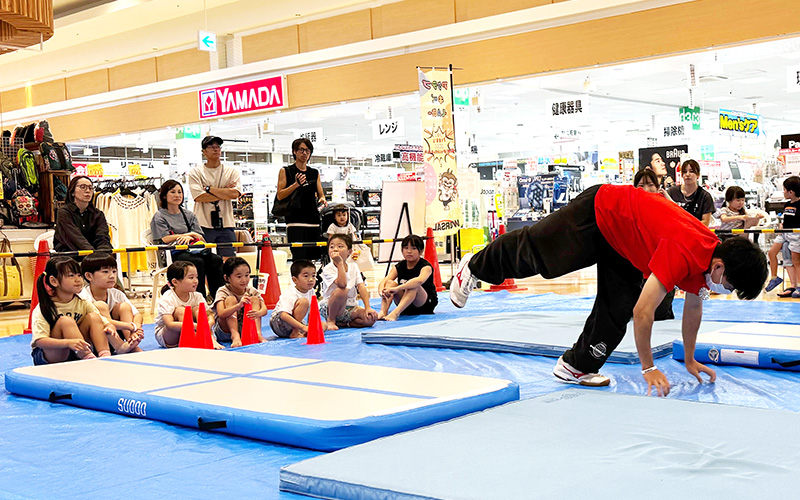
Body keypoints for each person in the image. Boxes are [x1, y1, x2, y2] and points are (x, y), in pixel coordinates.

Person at [450, 183, 767, 397]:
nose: (725, 291)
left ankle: (576, 366)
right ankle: (475, 266)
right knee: (540, 256)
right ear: (719, 268)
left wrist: (688, 359)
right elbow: (645, 313)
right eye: (730, 286)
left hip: (629, 245)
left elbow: (694, 308)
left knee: (618, 306)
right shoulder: (683, 252)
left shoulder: (709, 264)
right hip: (602, 211)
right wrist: (649, 367)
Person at [30, 257, 140, 365]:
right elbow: (40, 341)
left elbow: (101, 319)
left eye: (79, 275)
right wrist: (68, 343)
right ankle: (87, 356)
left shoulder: (82, 302)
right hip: (52, 354)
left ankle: (105, 354)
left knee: (94, 317)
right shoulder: (44, 308)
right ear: (54, 281)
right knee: (66, 321)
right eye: (71, 276)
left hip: (75, 350)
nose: (78, 280)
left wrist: (109, 325)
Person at [151, 179, 225, 298]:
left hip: (194, 250)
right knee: (196, 263)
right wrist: (184, 236)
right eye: (173, 192)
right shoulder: (159, 216)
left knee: (215, 260)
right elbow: (164, 238)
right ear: (164, 196)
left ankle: (220, 298)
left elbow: (199, 235)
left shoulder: (188, 214)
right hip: (173, 252)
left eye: (180, 192)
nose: (177, 195)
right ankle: (199, 299)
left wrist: (189, 235)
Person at [187, 136, 242, 260]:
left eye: (218, 147)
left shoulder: (232, 172)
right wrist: (224, 191)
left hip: (226, 223)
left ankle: (226, 280)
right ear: (204, 151)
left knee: (229, 261)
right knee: (204, 260)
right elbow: (199, 197)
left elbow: (234, 194)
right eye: (211, 147)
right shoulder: (196, 172)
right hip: (203, 224)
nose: (216, 150)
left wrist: (208, 189)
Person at [79, 253, 144, 353]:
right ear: (88, 276)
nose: (112, 276)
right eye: (105, 272)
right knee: (100, 306)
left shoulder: (116, 293)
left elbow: (137, 315)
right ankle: (120, 346)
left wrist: (136, 329)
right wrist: (130, 326)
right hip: (94, 340)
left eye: (114, 271)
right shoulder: (84, 296)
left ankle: (131, 342)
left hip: (116, 333)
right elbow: (102, 320)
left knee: (124, 307)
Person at [276, 138, 327, 261]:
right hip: (295, 220)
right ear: (294, 151)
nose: (305, 153)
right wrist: (296, 184)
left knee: (313, 256)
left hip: (313, 220)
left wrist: (322, 199)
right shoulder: (286, 171)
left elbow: (321, 194)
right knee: (299, 257)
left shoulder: (314, 173)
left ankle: (311, 280)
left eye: (308, 151)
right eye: (301, 150)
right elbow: (280, 195)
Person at [634, 169, 675, 321]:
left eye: (650, 185)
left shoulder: (666, 206)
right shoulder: (631, 208)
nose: (645, 189)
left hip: (660, 271)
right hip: (638, 271)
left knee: (659, 314)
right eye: (640, 185)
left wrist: (670, 202)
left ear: (658, 188)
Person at [154, 261, 221, 349]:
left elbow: (210, 315)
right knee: (181, 310)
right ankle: (194, 339)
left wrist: (208, 324)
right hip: (169, 336)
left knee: (198, 309)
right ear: (175, 282)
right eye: (191, 278)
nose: (196, 281)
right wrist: (197, 326)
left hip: (196, 330)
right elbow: (169, 324)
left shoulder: (197, 296)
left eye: (196, 277)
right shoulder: (168, 297)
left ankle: (207, 338)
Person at [319, 234, 377, 330]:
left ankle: (344, 324)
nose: (335, 249)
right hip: (330, 307)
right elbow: (342, 284)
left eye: (340, 246)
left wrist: (367, 307)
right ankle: (331, 320)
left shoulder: (353, 266)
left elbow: (361, 286)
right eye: (332, 247)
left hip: (349, 307)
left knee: (370, 319)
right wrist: (340, 263)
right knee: (342, 291)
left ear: (349, 252)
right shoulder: (328, 269)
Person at [377, 234, 438, 321]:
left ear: (420, 251)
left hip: (423, 304)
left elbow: (419, 281)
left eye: (413, 248)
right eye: (406, 248)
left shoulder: (426, 266)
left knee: (413, 285)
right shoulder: (400, 266)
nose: (409, 251)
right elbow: (385, 281)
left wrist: (398, 288)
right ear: (402, 251)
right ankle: (383, 311)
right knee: (390, 283)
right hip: (405, 304)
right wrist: (381, 291)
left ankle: (395, 313)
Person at [212, 257, 267, 346]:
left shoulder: (251, 290)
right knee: (231, 299)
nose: (244, 280)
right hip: (225, 331)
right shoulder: (223, 291)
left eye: (247, 275)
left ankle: (257, 334)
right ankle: (235, 336)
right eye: (239, 276)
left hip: (245, 329)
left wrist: (258, 313)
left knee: (254, 299)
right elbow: (221, 313)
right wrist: (238, 306)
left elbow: (264, 309)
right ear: (227, 278)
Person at [54, 175, 113, 255]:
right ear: (72, 192)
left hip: (93, 253)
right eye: (82, 187)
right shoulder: (64, 212)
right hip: (70, 254)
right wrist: (93, 254)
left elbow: (102, 236)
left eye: (90, 188)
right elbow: (75, 237)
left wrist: (103, 253)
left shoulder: (98, 214)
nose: (88, 191)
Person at [270, 259, 324, 339]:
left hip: (295, 323)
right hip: (280, 323)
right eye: (306, 276)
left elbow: (312, 312)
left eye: (313, 276)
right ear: (295, 280)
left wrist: (310, 327)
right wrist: (302, 327)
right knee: (304, 302)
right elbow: (283, 315)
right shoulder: (291, 293)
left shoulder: (311, 291)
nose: (311, 279)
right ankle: (295, 332)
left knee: (323, 325)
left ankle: (302, 333)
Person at [766, 176, 800, 298]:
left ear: (791, 192)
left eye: (784, 190)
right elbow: (787, 218)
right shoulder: (786, 204)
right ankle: (774, 277)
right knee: (771, 252)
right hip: (784, 233)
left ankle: (798, 285)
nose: (783, 192)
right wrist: (782, 226)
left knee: (796, 260)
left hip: (796, 235)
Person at [667, 159, 715, 226]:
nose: (687, 174)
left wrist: (687, 227)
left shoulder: (705, 196)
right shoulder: (671, 192)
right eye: (685, 172)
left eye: (691, 171)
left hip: (695, 233)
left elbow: (706, 222)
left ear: (698, 175)